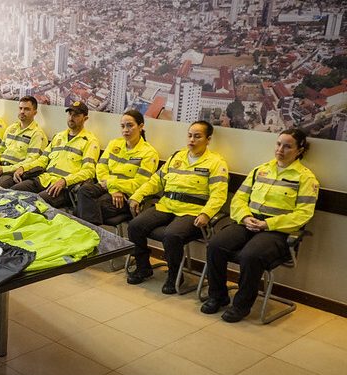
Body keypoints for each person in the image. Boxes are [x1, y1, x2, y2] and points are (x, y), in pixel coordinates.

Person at [201, 129, 319, 322]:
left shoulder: (305, 178)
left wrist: (267, 224)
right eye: (278, 144)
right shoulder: (260, 170)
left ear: (299, 150)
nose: (280, 149)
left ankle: (241, 306)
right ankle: (218, 296)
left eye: (287, 146)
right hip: (248, 222)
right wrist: (245, 217)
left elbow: (303, 215)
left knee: (250, 256)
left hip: (275, 231)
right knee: (215, 245)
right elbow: (239, 198)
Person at [127, 120, 229, 294]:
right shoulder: (177, 157)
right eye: (190, 135)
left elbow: (218, 195)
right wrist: (137, 195)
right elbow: (156, 181)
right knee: (135, 226)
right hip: (167, 205)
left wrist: (206, 214)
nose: (192, 140)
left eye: (197, 136)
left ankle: (175, 275)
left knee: (172, 235)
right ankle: (143, 267)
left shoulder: (216, 163)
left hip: (192, 211)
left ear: (208, 139)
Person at [10, 100, 101, 209]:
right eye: (70, 114)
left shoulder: (90, 141)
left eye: (76, 115)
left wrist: (65, 181)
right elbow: (42, 160)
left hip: (64, 187)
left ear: (85, 119)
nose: (71, 118)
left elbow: (89, 171)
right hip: (44, 179)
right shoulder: (58, 137)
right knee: (12, 193)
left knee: (35, 203)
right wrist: (23, 168)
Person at [76, 110, 159, 225]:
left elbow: (140, 183)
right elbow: (101, 168)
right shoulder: (114, 144)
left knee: (85, 208)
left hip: (126, 195)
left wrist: (113, 184)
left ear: (140, 126)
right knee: (84, 191)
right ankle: (92, 231)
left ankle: (91, 232)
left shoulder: (149, 153)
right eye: (123, 126)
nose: (125, 130)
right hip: (107, 187)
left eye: (130, 125)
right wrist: (113, 189)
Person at [0, 95, 48, 188]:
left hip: (11, 172)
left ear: (35, 112)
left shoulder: (37, 134)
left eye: (26, 109)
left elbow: (31, 160)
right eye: (20, 108)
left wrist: (4, 169)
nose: (22, 111)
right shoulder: (11, 128)